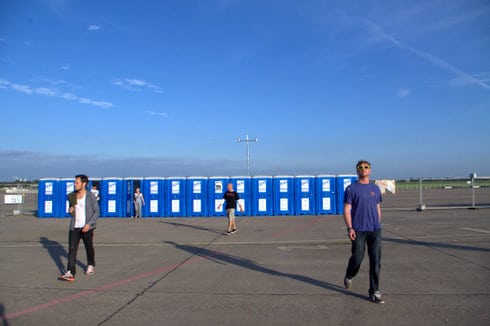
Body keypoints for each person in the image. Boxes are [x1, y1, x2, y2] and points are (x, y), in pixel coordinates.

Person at [343, 160, 385, 304]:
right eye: (360, 167)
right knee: (357, 257)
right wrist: (350, 227)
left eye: (366, 167)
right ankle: (349, 274)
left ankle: (374, 291)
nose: (363, 169)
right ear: (357, 171)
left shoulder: (375, 188)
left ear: (370, 170)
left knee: (375, 261)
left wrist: (378, 223)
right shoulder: (351, 188)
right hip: (358, 229)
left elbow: (378, 207)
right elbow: (347, 208)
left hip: (374, 229)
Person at [59, 174, 99, 281]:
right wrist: (70, 211)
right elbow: (72, 210)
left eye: (77, 182)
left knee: (88, 247)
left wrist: (89, 224)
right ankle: (70, 272)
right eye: (75, 182)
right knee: (72, 249)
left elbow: (96, 212)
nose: (75, 184)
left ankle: (91, 264)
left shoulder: (90, 196)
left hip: (87, 227)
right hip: (74, 227)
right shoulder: (72, 196)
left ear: (84, 183)